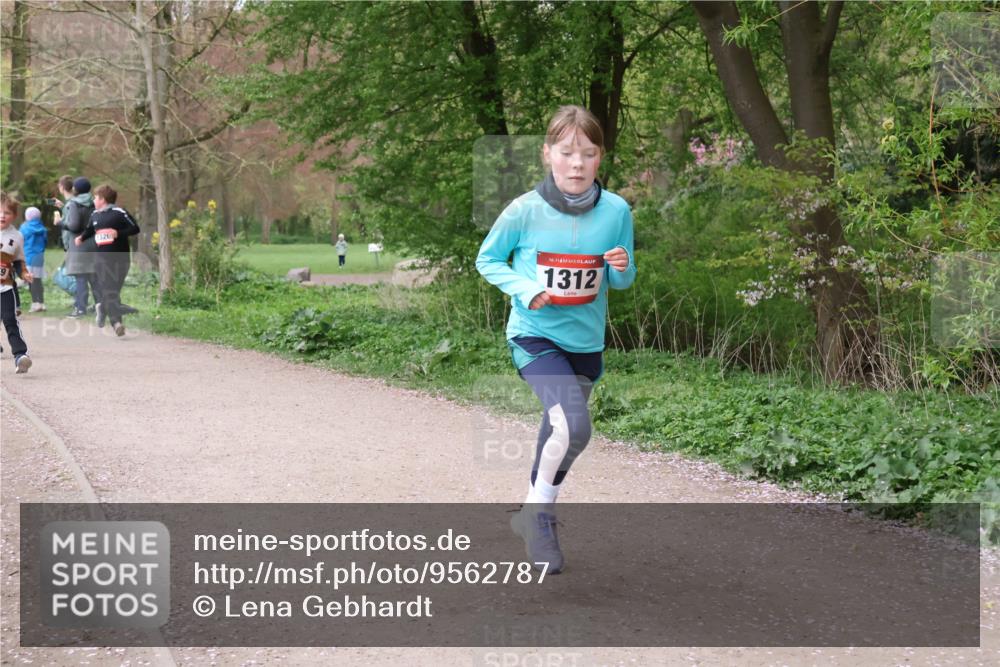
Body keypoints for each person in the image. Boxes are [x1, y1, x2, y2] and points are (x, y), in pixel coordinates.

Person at [475, 105, 636, 574]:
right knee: (575, 426)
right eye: (566, 152)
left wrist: (622, 269)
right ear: (548, 155)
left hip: (586, 343)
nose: (576, 163)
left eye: (587, 153)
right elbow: (488, 260)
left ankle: (530, 513)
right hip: (534, 335)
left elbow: (621, 281)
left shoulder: (616, 211)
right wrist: (526, 290)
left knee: (563, 429)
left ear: (600, 158)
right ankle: (540, 513)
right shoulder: (524, 210)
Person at [75, 184, 139, 337]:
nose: (93, 200)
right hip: (102, 259)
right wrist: (81, 238)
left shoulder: (119, 212)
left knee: (114, 289)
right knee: (110, 290)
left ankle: (102, 308)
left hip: (121, 257)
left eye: (95, 197)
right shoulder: (95, 215)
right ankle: (117, 323)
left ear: (102, 199)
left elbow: (135, 228)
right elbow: (90, 230)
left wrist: (118, 232)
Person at [1, 192, 34, 373]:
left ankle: (20, 356)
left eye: (6, 213)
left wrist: (24, 273)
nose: (2, 216)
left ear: (13, 215)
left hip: (5, 287)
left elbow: (19, 262)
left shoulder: (17, 236)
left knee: (10, 319)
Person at [55, 176, 97, 318]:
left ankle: (80, 309)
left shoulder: (74, 203)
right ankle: (100, 306)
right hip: (92, 243)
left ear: (75, 189)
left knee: (81, 277)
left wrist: (60, 222)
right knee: (93, 277)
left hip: (78, 244)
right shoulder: (94, 202)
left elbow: (74, 226)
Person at [20, 206, 48, 312]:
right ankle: (41, 303)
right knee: (38, 280)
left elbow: (19, 241)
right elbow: (45, 242)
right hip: (39, 257)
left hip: (28, 256)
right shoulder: (43, 228)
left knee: (31, 280)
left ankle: (35, 303)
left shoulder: (24, 228)